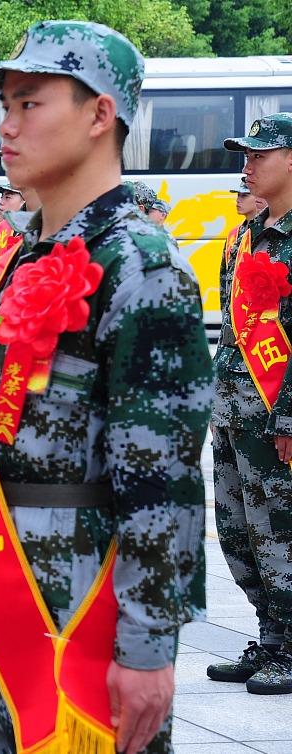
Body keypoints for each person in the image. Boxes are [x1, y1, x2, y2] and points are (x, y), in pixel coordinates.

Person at [0, 21, 212, 754]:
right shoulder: (32, 252)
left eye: (29, 104)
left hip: (87, 594)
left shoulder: (139, 265)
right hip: (13, 575)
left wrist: (149, 643)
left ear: (98, 115)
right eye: (4, 107)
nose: (7, 128)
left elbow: (162, 477)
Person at [209, 112, 292, 695]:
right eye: (246, 153)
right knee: (238, 532)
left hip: (278, 415)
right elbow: (232, 334)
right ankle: (268, 637)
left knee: (280, 532)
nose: (248, 164)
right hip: (234, 411)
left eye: (260, 154)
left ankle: (289, 646)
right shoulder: (245, 234)